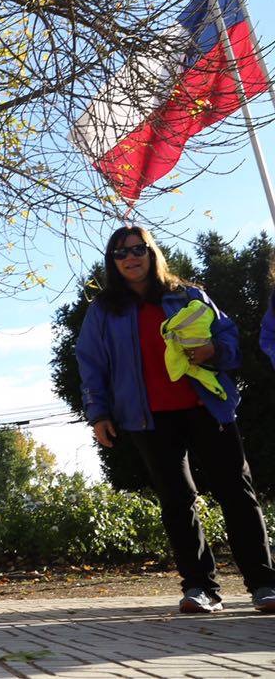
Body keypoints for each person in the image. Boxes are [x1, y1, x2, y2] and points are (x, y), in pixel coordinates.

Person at [76, 225, 275, 614]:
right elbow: (90, 364)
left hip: (206, 407)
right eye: (120, 253)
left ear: (152, 253)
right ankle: (200, 588)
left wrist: (214, 349)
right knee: (177, 500)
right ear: (112, 262)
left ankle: (265, 584)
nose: (130, 258)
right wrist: (98, 413)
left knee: (236, 492)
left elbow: (228, 337)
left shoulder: (188, 295)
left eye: (138, 249)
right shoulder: (102, 311)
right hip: (147, 418)